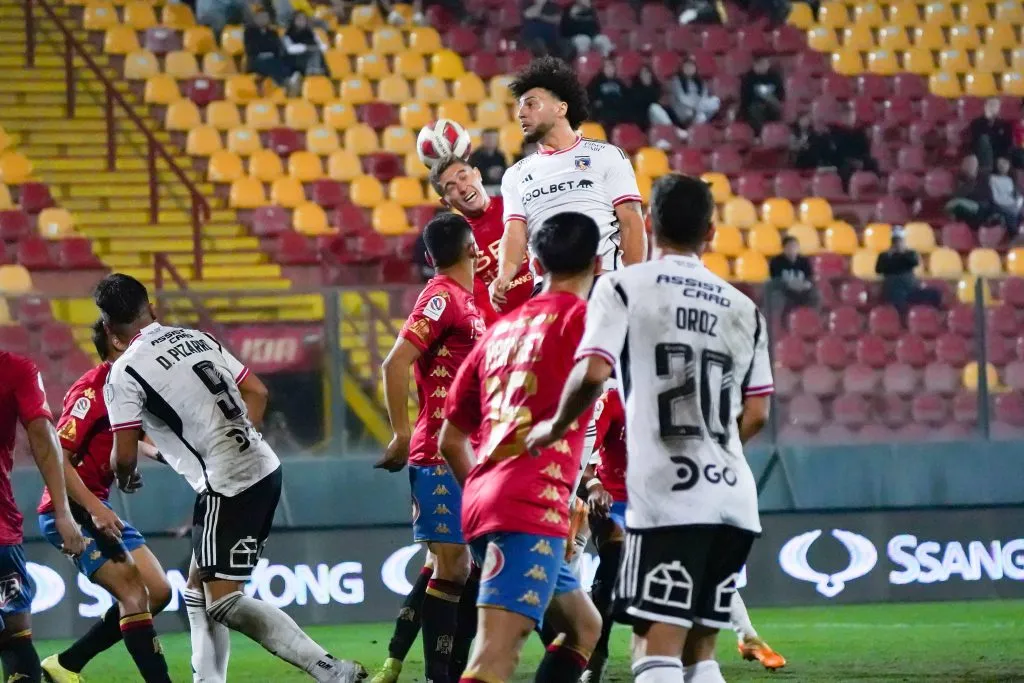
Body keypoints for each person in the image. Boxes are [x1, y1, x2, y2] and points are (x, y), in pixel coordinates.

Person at [528, 173, 774, 683]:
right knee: (700, 654)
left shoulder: (622, 287)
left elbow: (593, 374)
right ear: (711, 232)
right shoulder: (745, 309)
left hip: (667, 497)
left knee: (654, 653)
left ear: (649, 225)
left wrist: (554, 426)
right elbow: (757, 415)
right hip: (733, 498)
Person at [95, 273, 366, 683]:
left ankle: (330, 670)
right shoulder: (198, 338)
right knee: (197, 588)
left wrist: (126, 475)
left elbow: (125, 455)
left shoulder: (124, 372)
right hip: (264, 466)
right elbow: (258, 392)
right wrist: (240, 438)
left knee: (222, 600)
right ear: (151, 307)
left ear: (110, 328)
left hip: (226, 486)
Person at [439, 212, 603, 683]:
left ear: (535, 264)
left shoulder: (499, 330)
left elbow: (451, 439)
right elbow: (595, 374)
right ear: (597, 263)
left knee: (583, 627)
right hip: (529, 506)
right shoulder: (583, 319)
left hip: (484, 499)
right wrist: (558, 426)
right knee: (494, 656)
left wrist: (488, 491)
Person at [579, 384, 785, 683]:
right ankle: (596, 661)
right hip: (616, 501)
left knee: (700, 567)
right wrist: (594, 486)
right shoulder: (612, 399)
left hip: (663, 501)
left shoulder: (681, 401)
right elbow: (581, 455)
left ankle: (747, 636)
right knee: (611, 571)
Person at [372, 213, 486, 683]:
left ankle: (440, 669)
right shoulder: (441, 296)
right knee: (453, 566)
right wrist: (401, 432)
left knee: (459, 567)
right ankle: (438, 675)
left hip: (468, 452)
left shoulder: (467, 302)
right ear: (473, 248)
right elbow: (395, 363)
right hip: (439, 450)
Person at [39, 320, 174, 683]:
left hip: (98, 507)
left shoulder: (129, 388)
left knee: (158, 592)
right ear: (117, 342)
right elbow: (56, 456)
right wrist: (95, 509)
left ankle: (66, 664)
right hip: (69, 508)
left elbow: (134, 438)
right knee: (133, 591)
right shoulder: (91, 391)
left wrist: (162, 455)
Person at [493, 56, 646, 312]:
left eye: (531, 104)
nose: (521, 113)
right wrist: (504, 275)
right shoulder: (515, 174)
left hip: (601, 282)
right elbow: (514, 232)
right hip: (546, 288)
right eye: (520, 106)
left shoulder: (607, 156)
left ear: (561, 108)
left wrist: (633, 280)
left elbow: (631, 221)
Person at [0, 351, 86, 682]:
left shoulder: (15, 370)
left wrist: (63, 511)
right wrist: (62, 512)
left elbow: (42, 434)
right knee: (14, 633)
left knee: (15, 630)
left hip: (2, 528)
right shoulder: (15, 369)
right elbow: (42, 434)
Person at [431, 155, 535, 322]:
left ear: (477, 174)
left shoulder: (520, 205)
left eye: (463, 177)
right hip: (513, 329)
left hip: (556, 309)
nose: (462, 188)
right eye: (451, 187)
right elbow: (478, 306)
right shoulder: (458, 245)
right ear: (445, 202)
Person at [875, 229, 941, 314]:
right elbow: (878, 270)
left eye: (900, 241)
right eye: (895, 241)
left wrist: (902, 253)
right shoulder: (884, 256)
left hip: (911, 289)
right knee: (898, 298)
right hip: (895, 291)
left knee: (934, 294)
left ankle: (930, 316)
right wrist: (891, 255)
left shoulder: (909, 254)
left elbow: (914, 262)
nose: (897, 244)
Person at [245, 8, 299, 91]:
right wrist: (266, 49)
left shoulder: (273, 33)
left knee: (287, 60)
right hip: (256, 60)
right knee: (271, 63)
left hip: (272, 58)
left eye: (265, 17)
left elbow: (276, 48)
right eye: (261, 17)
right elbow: (251, 48)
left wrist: (266, 48)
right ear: (255, 18)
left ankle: (290, 80)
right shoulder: (249, 32)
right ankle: (285, 83)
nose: (263, 19)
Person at [768, 236, 820, 316]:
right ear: (784, 248)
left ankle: (811, 317)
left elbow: (809, 278)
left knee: (815, 295)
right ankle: (782, 320)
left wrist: (806, 285)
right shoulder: (776, 262)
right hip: (784, 291)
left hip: (801, 290)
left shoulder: (804, 261)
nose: (792, 249)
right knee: (778, 297)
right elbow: (775, 280)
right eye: (789, 246)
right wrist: (790, 285)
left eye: (794, 246)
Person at [946, 154, 995, 228]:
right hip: (969, 213)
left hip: (982, 210)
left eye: (972, 164)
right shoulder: (959, 180)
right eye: (967, 164)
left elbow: (988, 199)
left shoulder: (983, 179)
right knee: (954, 204)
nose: (969, 166)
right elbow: (953, 199)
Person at [740, 55, 784, 134]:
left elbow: (781, 94)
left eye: (766, 64)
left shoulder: (774, 76)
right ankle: (761, 134)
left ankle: (776, 132)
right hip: (755, 108)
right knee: (756, 108)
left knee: (773, 102)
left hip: (772, 106)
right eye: (762, 64)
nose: (765, 66)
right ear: (755, 65)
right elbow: (745, 99)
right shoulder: (748, 78)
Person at [668, 59, 720, 126]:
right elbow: (682, 98)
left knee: (716, 100)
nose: (689, 69)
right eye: (686, 67)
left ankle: (700, 119)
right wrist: (696, 105)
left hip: (700, 107)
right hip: (684, 107)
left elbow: (704, 96)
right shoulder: (676, 80)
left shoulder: (701, 81)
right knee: (699, 116)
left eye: (691, 67)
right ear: (682, 68)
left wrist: (700, 105)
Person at [967, 98, 1014, 172]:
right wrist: (987, 119)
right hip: (982, 157)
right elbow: (976, 140)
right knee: (984, 139)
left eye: (996, 105)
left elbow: (1008, 143)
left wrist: (1004, 158)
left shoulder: (1005, 125)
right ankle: (986, 170)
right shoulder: (976, 123)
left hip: (999, 156)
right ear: (985, 106)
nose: (993, 107)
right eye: (991, 105)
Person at [629, 65, 676, 133]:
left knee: (660, 108)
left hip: (657, 118)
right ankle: (673, 130)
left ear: (651, 74)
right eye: (643, 74)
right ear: (639, 76)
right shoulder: (635, 89)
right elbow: (641, 105)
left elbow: (660, 104)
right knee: (654, 107)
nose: (645, 75)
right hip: (644, 120)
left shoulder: (656, 87)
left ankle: (673, 129)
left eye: (647, 73)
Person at [587, 61, 631, 132]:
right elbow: (590, 97)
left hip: (618, 114)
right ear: (603, 69)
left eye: (611, 67)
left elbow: (627, 99)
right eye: (607, 67)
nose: (610, 69)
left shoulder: (619, 83)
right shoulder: (596, 81)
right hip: (603, 115)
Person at [283, 13, 329, 77]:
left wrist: (313, 48)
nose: (301, 21)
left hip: (314, 56)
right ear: (294, 21)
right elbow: (290, 49)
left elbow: (323, 47)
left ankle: (315, 71)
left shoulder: (311, 33)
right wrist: (307, 47)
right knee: (314, 52)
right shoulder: (288, 34)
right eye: (299, 19)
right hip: (297, 59)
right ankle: (314, 71)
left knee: (316, 52)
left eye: (303, 19)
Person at [466, 130, 508, 194]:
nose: (490, 141)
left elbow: (505, 172)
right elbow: (471, 174)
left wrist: (500, 172)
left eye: (493, 138)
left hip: (498, 188)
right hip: (481, 188)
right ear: (482, 139)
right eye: (487, 138)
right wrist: (487, 174)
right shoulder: (475, 156)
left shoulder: (501, 156)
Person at [989, 156, 1023, 233]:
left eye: (1005, 163)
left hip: (1013, 203)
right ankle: (1015, 232)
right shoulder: (992, 179)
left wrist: (1017, 199)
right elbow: (996, 198)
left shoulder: (1009, 179)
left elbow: (1013, 194)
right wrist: (1011, 204)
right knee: (1013, 213)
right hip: (1001, 205)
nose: (1003, 166)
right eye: (1001, 164)